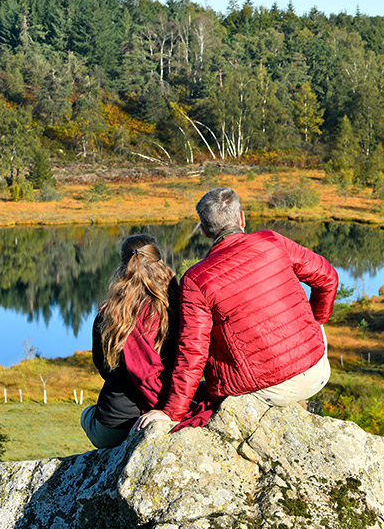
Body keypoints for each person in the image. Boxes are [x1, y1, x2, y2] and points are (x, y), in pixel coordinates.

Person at [134, 187, 338, 431]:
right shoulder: (273, 241)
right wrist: (317, 321)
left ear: (204, 230)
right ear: (242, 217)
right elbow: (328, 277)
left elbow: (193, 350)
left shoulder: (196, 279)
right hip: (317, 370)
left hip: (267, 391)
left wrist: (173, 412)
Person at [80, 234, 179, 448]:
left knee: (86, 415)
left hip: (114, 425)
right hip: (168, 408)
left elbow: (104, 369)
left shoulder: (108, 314)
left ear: (123, 267)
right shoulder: (179, 306)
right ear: (159, 262)